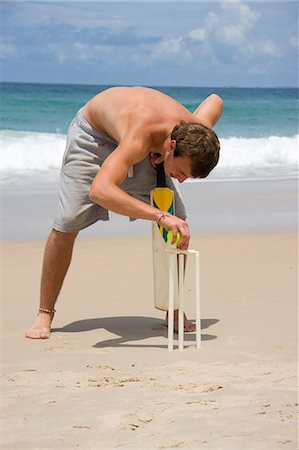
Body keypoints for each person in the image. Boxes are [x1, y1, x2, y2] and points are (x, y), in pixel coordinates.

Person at [26, 86, 223, 339]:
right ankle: (45, 313)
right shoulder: (141, 135)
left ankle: (172, 308)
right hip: (93, 138)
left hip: (142, 143)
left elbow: (215, 100)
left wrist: (163, 164)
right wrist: (159, 215)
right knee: (67, 222)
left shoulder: (196, 128)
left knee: (179, 220)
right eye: (181, 173)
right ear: (172, 146)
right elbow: (100, 191)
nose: (181, 181)